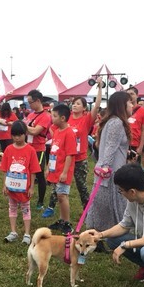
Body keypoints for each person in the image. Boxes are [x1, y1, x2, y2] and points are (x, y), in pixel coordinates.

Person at [43, 79, 102, 218]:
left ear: (84, 108)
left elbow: (97, 106)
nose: (74, 105)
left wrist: (99, 88)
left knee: (82, 186)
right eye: (74, 103)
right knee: (57, 183)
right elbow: (53, 129)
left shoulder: (87, 119)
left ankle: (87, 211)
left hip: (79, 158)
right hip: (64, 158)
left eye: (78, 104)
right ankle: (51, 207)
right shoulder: (66, 119)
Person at [85, 91, 132, 233]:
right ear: (122, 105)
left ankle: (99, 234)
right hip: (110, 172)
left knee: (102, 206)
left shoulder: (111, 121)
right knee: (107, 206)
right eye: (130, 102)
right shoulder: (116, 123)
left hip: (108, 170)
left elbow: (106, 146)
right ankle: (103, 235)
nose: (132, 105)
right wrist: (105, 168)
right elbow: (110, 148)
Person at [0, 121, 41, 244]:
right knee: (12, 207)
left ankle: (27, 234)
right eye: (14, 135)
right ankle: (13, 232)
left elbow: (33, 170)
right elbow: (5, 169)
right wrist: (4, 185)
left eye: (20, 135)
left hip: (24, 188)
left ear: (25, 134)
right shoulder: (8, 149)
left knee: (25, 209)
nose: (17, 138)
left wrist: (32, 187)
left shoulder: (30, 150)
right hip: (12, 187)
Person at [44, 104, 77, 234]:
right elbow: (53, 151)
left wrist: (64, 172)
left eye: (54, 116)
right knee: (59, 195)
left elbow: (70, 154)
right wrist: (48, 167)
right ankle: (61, 220)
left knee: (63, 196)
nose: (52, 118)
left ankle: (67, 223)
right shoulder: (57, 131)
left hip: (64, 171)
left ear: (63, 118)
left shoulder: (69, 133)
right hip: (55, 169)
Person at [24, 89, 52, 209]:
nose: (29, 105)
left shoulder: (46, 116)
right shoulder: (30, 114)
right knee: (27, 173)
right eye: (28, 102)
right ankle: (25, 197)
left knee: (39, 176)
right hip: (28, 147)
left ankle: (40, 201)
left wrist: (24, 127)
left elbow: (35, 131)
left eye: (31, 102)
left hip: (39, 149)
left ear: (38, 101)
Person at [126, 87, 144, 170]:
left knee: (133, 169)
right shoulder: (123, 109)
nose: (130, 96)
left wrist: (140, 146)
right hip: (124, 144)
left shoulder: (142, 111)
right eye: (128, 94)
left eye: (132, 94)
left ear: (137, 95)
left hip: (135, 144)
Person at [0, 82, 18, 152]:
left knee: (9, 150)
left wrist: (7, 123)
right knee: (1, 151)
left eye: (7, 111)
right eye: (4, 111)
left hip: (9, 136)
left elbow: (16, 122)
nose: (5, 112)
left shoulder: (12, 114)